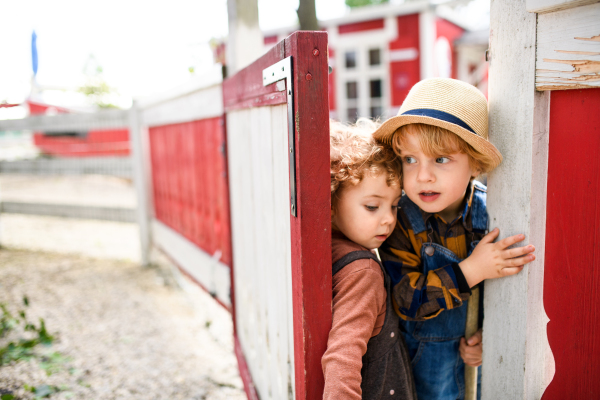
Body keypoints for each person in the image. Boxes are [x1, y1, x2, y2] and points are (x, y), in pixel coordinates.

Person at [372, 78, 536, 400]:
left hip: (472, 361)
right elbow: (405, 299)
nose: (422, 176)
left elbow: (508, 294)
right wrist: (470, 270)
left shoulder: (493, 214)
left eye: (441, 159)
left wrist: (488, 337)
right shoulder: (401, 220)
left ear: (475, 163)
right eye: (410, 159)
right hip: (421, 366)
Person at [322, 119, 417, 400]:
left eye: (394, 205)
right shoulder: (363, 271)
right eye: (372, 206)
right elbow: (343, 354)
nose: (388, 219)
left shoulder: (330, 249)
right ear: (330, 203)